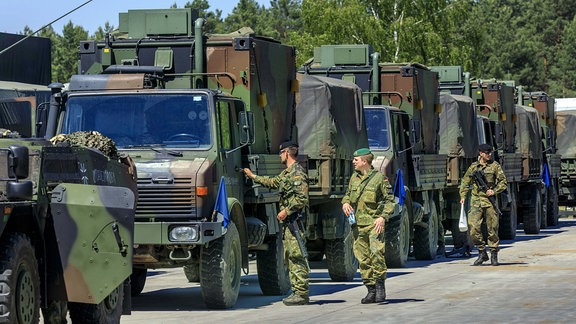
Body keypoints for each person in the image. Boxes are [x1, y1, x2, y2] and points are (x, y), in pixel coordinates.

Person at [242, 141, 310, 306]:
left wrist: (286, 210)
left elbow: (302, 198)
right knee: (290, 257)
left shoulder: (297, 173)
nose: (280, 156)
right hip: (289, 223)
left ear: (286, 153)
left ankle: (301, 293)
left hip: (295, 222)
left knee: (297, 256)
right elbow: (273, 182)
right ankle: (297, 292)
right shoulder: (287, 173)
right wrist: (253, 177)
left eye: (281, 153)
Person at [341, 148, 395, 304]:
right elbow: (347, 194)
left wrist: (382, 217)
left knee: (376, 254)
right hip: (358, 226)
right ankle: (370, 289)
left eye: (356, 160)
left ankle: (380, 288)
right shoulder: (354, 178)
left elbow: (390, 201)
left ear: (364, 161)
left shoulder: (379, 179)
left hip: (374, 224)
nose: (353, 162)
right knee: (363, 259)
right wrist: (345, 202)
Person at [459, 143, 507, 266]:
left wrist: (494, 191)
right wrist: (463, 196)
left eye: (490, 152)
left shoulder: (495, 166)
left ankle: (494, 254)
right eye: (487, 153)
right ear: (481, 153)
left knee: (493, 229)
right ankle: (482, 252)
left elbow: (503, 182)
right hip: (476, 201)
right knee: (473, 227)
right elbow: (465, 182)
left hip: (490, 202)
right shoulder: (473, 167)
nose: (489, 154)